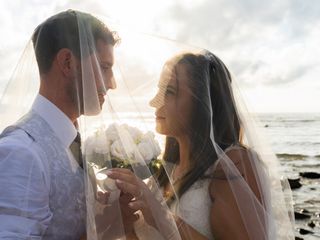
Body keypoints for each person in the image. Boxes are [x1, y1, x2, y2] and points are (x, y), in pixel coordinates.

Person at [107, 51, 295, 239]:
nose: (154, 101)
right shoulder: (164, 172)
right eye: (160, 89)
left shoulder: (234, 163)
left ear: (203, 103)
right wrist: (126, 221)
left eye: (170, 91)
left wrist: (160, 215)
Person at [0, 9, 136, 239]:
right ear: (67, 62)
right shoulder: (21, 153)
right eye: (104, 67)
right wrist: (105, 228)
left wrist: (105, 220)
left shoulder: (74, 145)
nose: (112, 84)